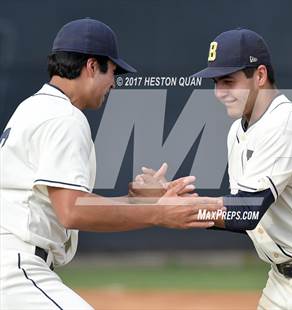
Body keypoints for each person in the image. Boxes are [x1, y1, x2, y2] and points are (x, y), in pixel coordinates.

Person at [143, 28, 292, 309]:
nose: (219, 92)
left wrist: (184, 209)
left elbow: (246, 212)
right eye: (216, 82)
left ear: (260, 76)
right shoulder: (237, 132)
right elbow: (247, 217)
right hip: (282, 284)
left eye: (228, 81)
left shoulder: (286, 124)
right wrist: (180, 201)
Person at [0, 18, 222, 309]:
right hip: (15, 268)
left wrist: (137, 202)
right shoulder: (64, 117)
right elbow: (72, 210)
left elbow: (68, 203)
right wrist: (156, 213)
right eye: (112, 71)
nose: (114, 83)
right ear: (92, 66)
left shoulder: (33, 107)